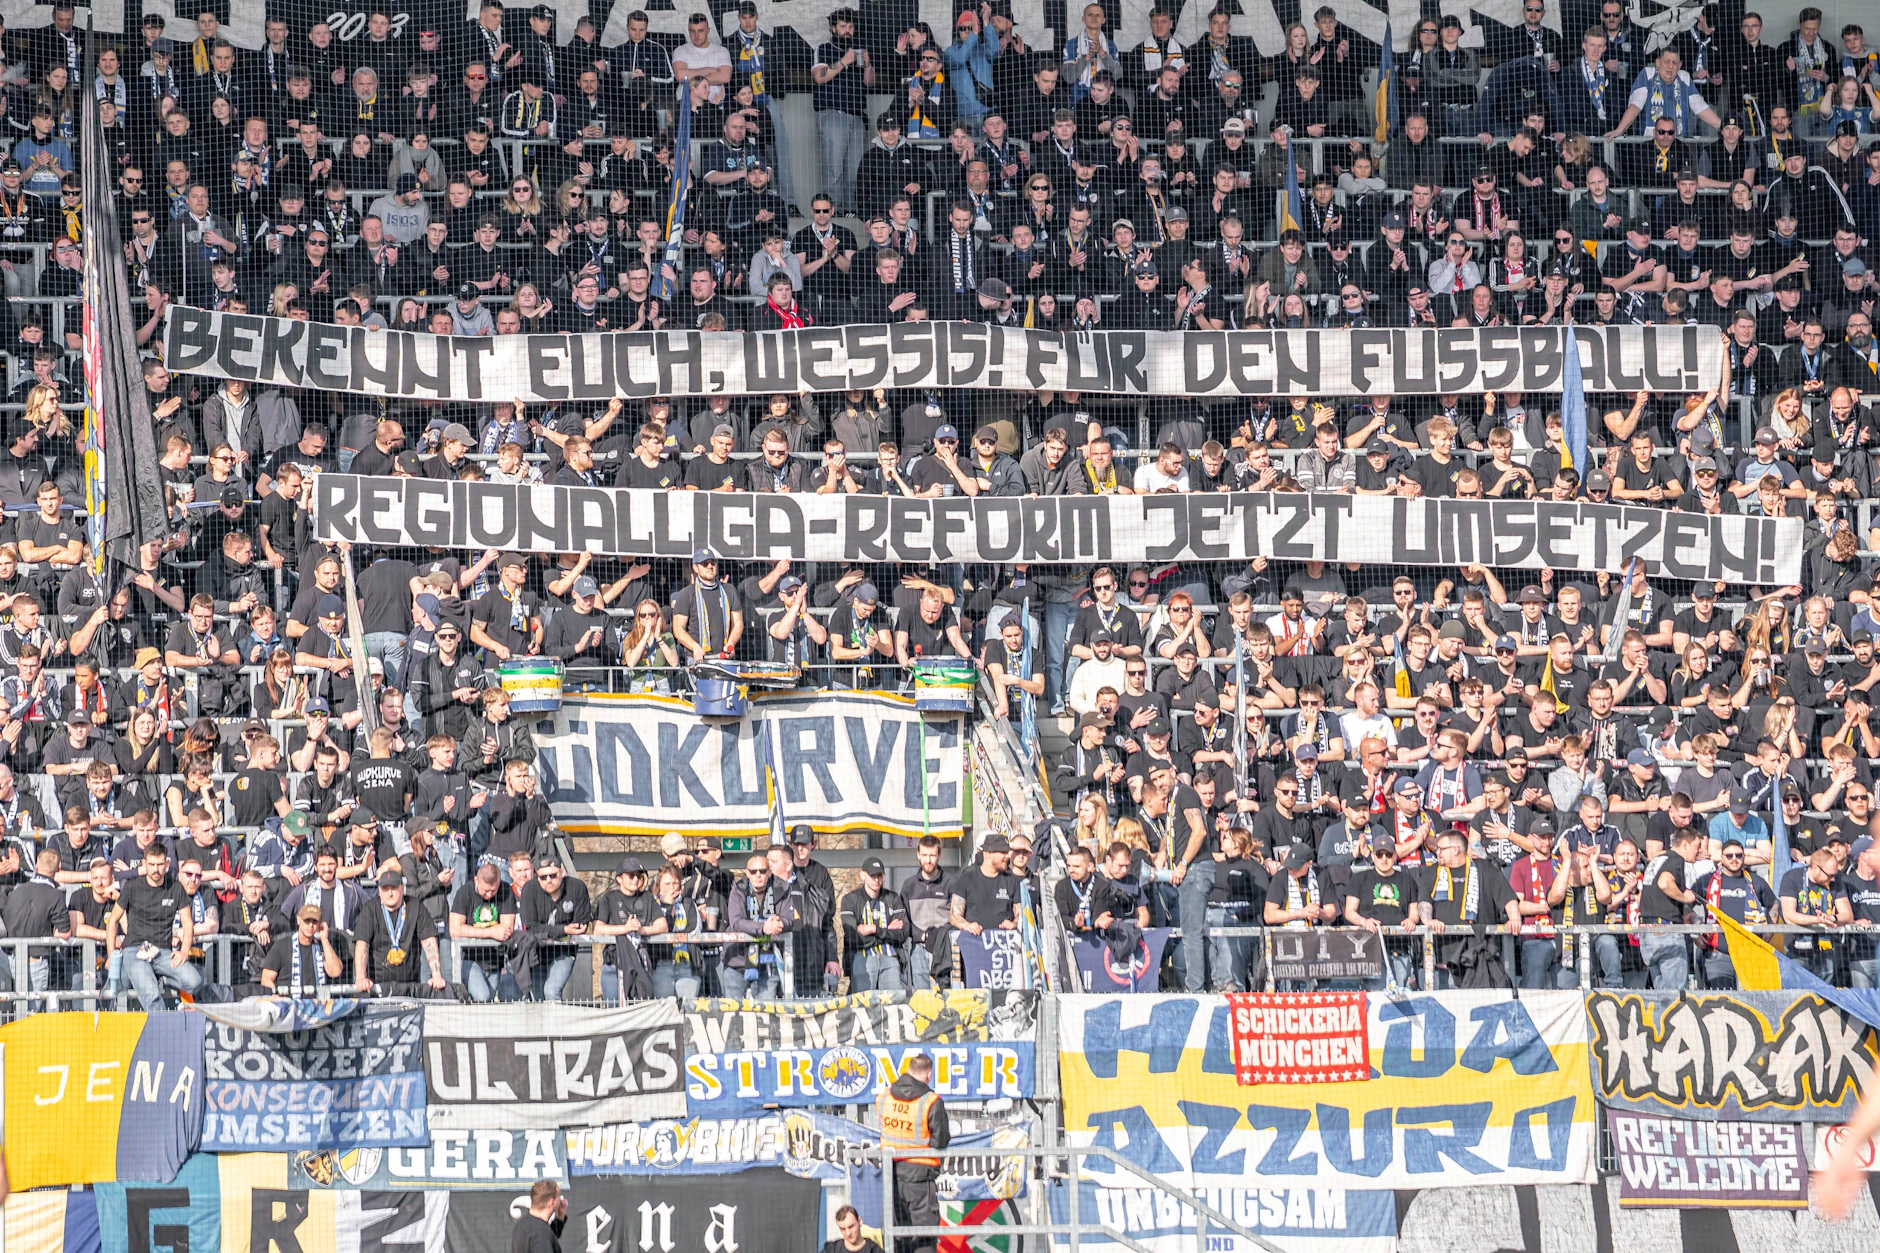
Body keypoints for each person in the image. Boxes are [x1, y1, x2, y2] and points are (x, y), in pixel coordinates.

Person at [876, 1051, 949, 1253]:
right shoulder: (931, 1101)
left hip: (891, 1175)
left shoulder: (884, 1096)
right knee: (924, 1235)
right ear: (929, 1075)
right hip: (920, 1176)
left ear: (907, 1070)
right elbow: (940, 1141)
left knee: (898, 1235)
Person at [511, 1180, 568, 1253]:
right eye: (558, 1196)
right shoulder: (541, 1234)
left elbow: (551, 1237)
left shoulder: (521, 1223)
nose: (561, 1200)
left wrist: (561, 1215)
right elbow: (543, 1237)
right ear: (552, 1202)